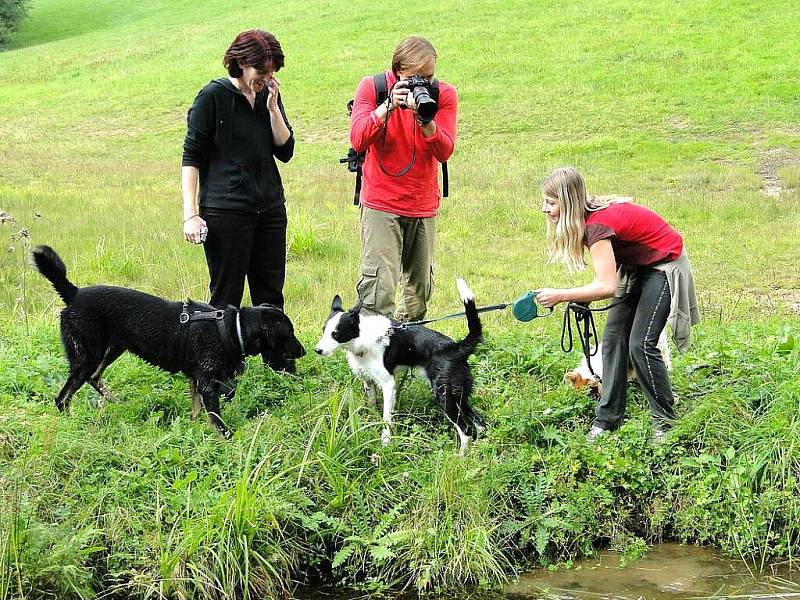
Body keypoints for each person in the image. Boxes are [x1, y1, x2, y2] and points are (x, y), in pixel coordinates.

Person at [534, 167, 700, 442]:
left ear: (569, 201)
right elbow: (607, 276)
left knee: (640, 344)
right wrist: (580, 296)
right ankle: (608, 418)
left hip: (665, 265)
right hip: (636, 266)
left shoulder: (595, 227)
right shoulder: (588, 219)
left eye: (551, 203)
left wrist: (562, 294)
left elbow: (606, 286)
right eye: (544, 202)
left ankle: (665, 421)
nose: (544, 209)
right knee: (613, 339)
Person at [181, 29, 296, 372]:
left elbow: (285, 150)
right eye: (262, 73)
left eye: (272, 72)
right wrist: (190, 213)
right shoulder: (212, 97)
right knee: (225, 297)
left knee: (271, 293)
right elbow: (191, 156)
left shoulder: (268, 96)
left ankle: (280, 367)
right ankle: (219, 370)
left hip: (270, 209)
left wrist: (273, 108)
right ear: (241, 63)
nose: (267, 79)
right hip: (226, 211)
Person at [349, 36, 457, 321]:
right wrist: (387, 107)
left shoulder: (443, 94)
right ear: (397, 72)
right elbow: (358, 139)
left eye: (429, 77)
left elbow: (445, 151)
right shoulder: (372, 87)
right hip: (381, 204)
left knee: (419, 291)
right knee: (379, 288)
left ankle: (406, 352)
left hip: (422, 205)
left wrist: (427, 122)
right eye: (414, 78)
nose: (422, 84)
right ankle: (372, 356)